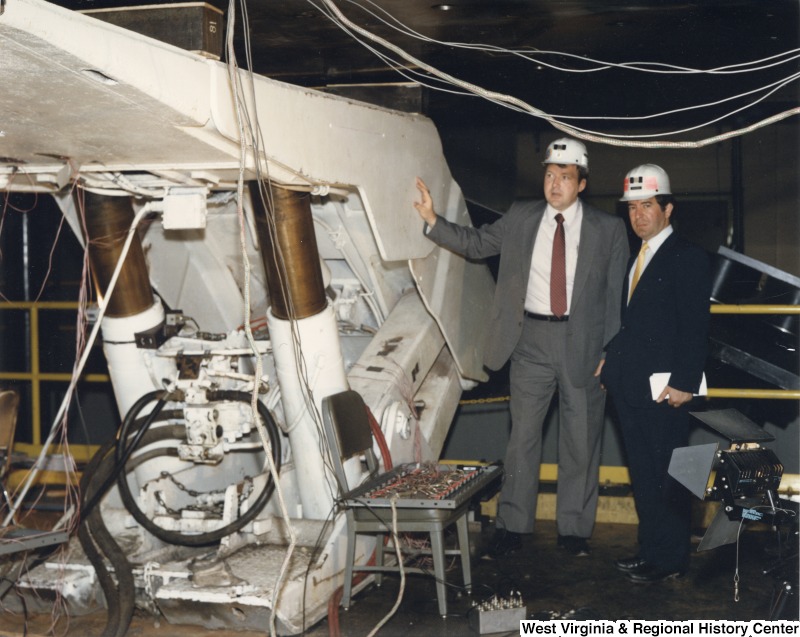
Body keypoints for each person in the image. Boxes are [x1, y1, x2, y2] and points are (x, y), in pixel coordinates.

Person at [414, 138, 629, 557]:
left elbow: (613, 297)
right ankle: (513, 525)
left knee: (581, 440)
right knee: (522, 439)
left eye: (564, 177)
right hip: (530, 340)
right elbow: (476, 244)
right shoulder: (522, 216)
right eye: (549, 175)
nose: (555, 184)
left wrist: (611, 351)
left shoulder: (608, 229)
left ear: (581, 183)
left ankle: (574, 532)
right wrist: (432, 219)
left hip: (583, 343)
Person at [601, 164, 711, 583]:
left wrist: (684, 382)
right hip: (631, 385)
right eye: (632, 208)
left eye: (647, 205)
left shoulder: (687, 257)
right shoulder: (637, 258)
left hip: (667, 389)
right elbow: (635, 324)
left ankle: (671, 559)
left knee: (670, 476)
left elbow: (695, 326)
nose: (639, 215)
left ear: (668, 208)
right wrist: (610, 357)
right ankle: (651, 551)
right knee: (645, 476)